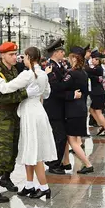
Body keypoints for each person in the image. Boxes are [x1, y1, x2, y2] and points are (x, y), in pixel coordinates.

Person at [0, 47, 56, 200]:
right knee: (29, 148)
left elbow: (5, 89)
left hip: (29, 113)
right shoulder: (43, 74)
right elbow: (47, 93)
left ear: (28, 57)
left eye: (22, 56)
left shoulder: (27, 74)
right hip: (39, 111)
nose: (20, 59)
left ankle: (44, 187)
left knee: (33, 150)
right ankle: (29, 184)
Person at [0, 42, 39, 203]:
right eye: (11, 55)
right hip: (3, 116)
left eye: (16, 54)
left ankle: (6, 178)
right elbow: (1, 96)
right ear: (2, 56)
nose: (15, 57)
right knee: (3, 151)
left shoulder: (14, 70)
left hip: (15, 114)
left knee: (14, 149)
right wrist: (24, 94)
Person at [46, 46, 93, 174]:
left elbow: (59, 86)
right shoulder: (82, 72)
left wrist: (50, 75)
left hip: (73, 110)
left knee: (71, 140)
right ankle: (65, 162)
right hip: (77, 109)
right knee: (67, 138)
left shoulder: (72, 73)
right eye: (62, 52)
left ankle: (88, 164)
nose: (66, 56)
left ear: (74, 58)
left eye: (69, 55)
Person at [43, 39, 68, 175]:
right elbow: (56, 87)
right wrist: (70, 93)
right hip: (54, 106)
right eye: (61, 51)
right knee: (59, 136)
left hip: (59, 106)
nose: (63, 53)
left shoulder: (59, 66)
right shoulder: (51, 67)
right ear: (56, 52)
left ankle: (55, 161)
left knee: (59, 136)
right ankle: (53, 164)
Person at [85, 50, 105, 136]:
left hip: (98, 92)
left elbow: (88, 70)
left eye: (93, 59)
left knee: (98, 111)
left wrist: (83, 64)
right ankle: (101, 125)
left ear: (98, 60)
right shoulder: (96, 68)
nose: (92, 61)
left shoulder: (98, 68)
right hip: (96, 92)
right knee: (91, 110)